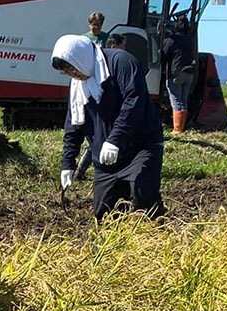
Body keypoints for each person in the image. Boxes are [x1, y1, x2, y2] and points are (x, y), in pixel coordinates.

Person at [52, 35, 165, 222]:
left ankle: (156, 233)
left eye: (72, 68)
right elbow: (73, 124)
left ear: (81, 58)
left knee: (143, 194)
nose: (73, 74)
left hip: (140, 147)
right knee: (104, 214)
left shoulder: (121, 63)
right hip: (106, 158)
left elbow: (133, 102)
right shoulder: (78, 85)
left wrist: (115, 139)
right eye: (66, 72)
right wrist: (68, 163)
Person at [162, 14, 197, 122]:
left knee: (176, 100)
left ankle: (178, 127)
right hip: (189, 72)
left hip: (176, 72)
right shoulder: (190, 40)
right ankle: (183, 124)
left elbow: (163, 55)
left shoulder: (172, 40)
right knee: (183, 100)